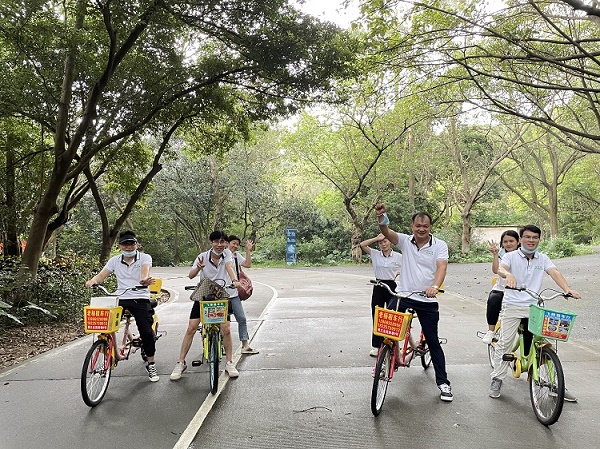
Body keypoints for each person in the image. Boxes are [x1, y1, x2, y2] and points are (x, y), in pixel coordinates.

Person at [489, 225, 581, 400]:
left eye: (535, 238)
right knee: (505, 343)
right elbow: (500, 269)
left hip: (534, 307)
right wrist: (508, 275)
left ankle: (554, 384)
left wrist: (567, 289)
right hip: (513, 305)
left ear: (539, 239)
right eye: (527, 237)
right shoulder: (510, 256)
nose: (531, 240)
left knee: (543, 344)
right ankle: (497, 379)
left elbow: (554, 272)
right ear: (521, 239)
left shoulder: (543, 258)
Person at [375, 203, 453, 402]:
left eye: (425, 226)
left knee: (433, 342)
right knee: (385, 329)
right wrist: (382, 217)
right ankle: (388, 356)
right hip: (403, 296)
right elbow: (386, 231)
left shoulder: (439, 245)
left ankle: (443, 383)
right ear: (412, 226)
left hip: (426, 299)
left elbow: (441, 267)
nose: (421, 229)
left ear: (430, 227)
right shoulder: (404, 241)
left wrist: (435, 287)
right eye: (418, 225)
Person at [85, 230, 159, 382]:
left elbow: (145, 271)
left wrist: (144, 281)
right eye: (125, 244)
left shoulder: (144, 258)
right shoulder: (114, 260)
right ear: (119, 246)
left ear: (137, 244)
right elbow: (101, 275)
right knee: (104, 322)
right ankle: (108, 346)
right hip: (120, 297)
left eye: (131, 244)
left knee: (146, 332)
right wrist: (93, 281)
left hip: (139, 297)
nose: (129, 247)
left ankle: (151, 364)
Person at [170, 230, 242, 381]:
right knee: (191, 327)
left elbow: (229, 267)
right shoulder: (202, 256)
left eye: (222, 242)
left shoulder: (227, 254)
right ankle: (181, 362)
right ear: (211, 243)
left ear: (226, 244)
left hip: (221, 294)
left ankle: (229, 362)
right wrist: (198, 268)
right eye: (216, 241)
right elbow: (190, 275)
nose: (219, 245)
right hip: (203, 293)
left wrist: (235, 280)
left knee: (226, 328)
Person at [359, 233, 402, 357]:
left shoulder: (399, 257)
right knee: (377, 316)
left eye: (385, 241)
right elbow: (362, 245)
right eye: (380, 242)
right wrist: (376, 238)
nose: (383, 244)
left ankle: (393, 345)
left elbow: (405, 271)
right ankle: (376, 346)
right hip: (378, 285)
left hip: (392, 287)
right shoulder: (375, 254)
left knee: (391, 317)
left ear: (391, 242)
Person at [481, 230, 520, 345]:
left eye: (511, 241)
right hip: (502, 289)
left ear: (518, 242)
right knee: (493, 300)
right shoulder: (502, 255)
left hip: (520, 290)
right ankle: (491, 331)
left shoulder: (524, 255)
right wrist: (495, 255)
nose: (508, 244)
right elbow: (495, 270)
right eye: (505, 242)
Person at [227, 235, 259, 355]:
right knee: (222, 322)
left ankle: (245, 345)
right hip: (220, 293)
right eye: (233, 243)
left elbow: (247, 264)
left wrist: (248, 251)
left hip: (234, 292)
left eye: (237, 244)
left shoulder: (235, 256)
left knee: (241, 319)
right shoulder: (220, 256)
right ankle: (219, 345)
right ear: (227, 243)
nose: (235, 246)